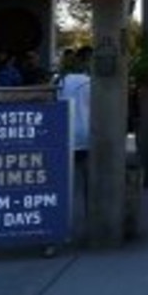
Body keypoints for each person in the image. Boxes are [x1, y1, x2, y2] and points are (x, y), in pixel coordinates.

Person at [59, 49, 91, 236]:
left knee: (67, 182)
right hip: (86, 135)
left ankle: (65, 222)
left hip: (65, 135)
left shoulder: (60, 82)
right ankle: (88, 218)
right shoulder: (91, 83)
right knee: (88, 181)